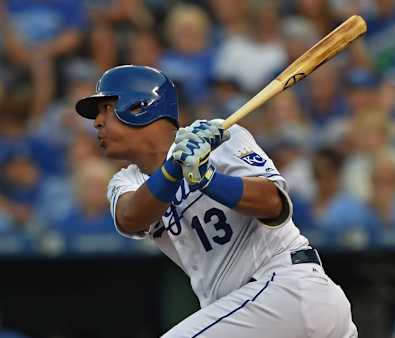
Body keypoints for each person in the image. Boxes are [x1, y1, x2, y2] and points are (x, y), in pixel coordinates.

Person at [74, 65, 357, 337]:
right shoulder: (126, 181)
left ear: (139, 108)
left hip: (285, 288)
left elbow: (273, 203)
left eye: (106, 109)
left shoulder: (221, 138)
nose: (97, 122)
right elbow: (130, 217)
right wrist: (174, 167)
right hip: (243, 313)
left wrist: (209, 178)